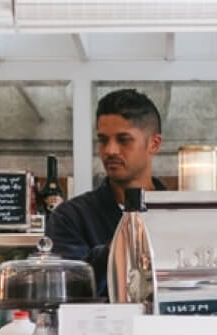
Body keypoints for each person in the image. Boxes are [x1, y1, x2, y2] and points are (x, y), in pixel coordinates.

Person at [46, 88, 167, 295]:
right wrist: (122, 246)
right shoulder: (70, 217)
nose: (110, 150)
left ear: (153, 144)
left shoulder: (177, 214)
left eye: (123, 139)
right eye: (103, 140)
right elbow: (66, 291)